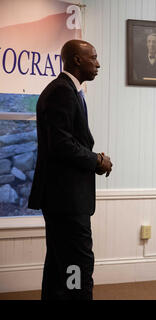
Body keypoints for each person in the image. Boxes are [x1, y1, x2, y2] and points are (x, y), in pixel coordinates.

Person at [28, 39, 113, 300]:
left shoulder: (69, 90)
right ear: (77, 60)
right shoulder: (61, 91)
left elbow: (70, 141)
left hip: (63, 197)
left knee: (59, 263)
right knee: (77, 263)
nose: (98, 64)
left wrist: (92, 159)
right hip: (65, 199)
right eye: (93, 58)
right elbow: (61, 145)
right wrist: (96, 161)